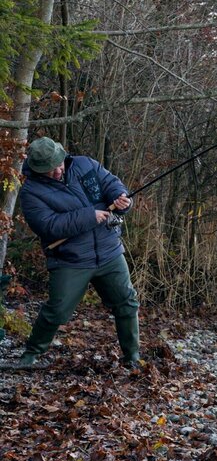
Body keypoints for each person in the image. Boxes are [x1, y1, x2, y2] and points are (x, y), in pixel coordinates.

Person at [13, 137, 139, 369]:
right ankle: (30, 356)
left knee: (127, 303)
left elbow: (112, 184)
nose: (57, 171)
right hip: (70, 259)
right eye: (50, 170)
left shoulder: (85, 164)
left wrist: (122, 199)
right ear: (38, 169)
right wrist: (90, 216)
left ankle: (132, 358)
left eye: (58, 165)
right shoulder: (31, 192)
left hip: (109, 250)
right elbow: (49, 226)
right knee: (57, 311)